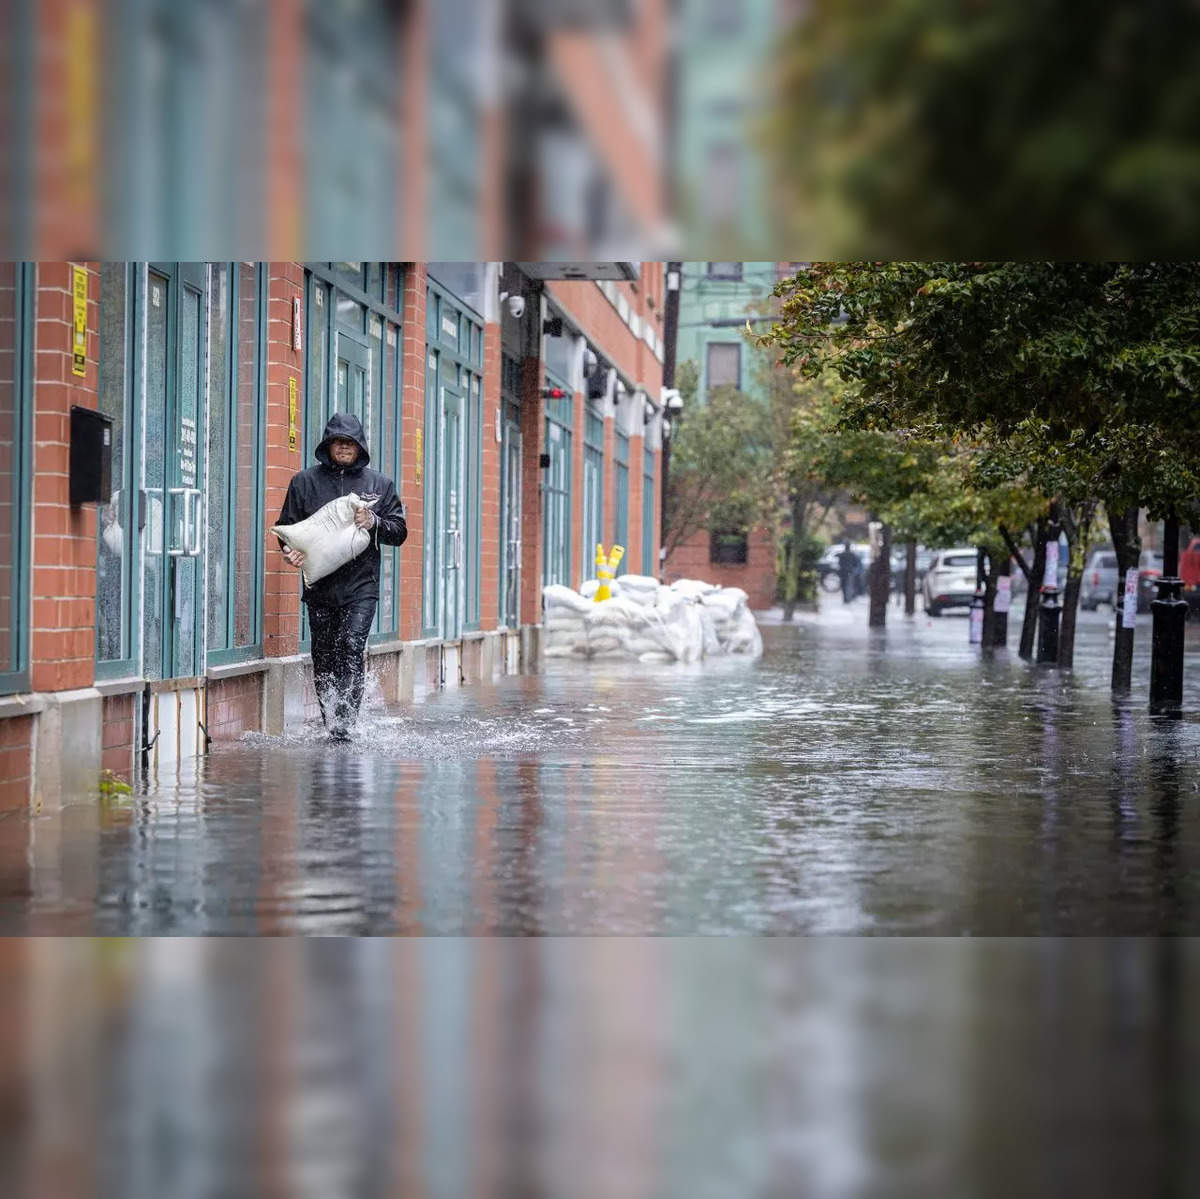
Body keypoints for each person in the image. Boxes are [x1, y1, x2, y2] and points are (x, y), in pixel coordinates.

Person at [276, 413, 407, 741]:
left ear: (360, 446)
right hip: (320, 587)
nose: (344, 448)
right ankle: (330, 721)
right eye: (338, 442)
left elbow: (399, 532)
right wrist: (288, 551)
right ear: (328, 445)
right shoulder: (304, 483)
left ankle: (346, 723)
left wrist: (373, 521)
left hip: (361, 586)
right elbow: (288, 529)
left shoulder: (379, 485)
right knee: (323, 654)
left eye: (350, 443)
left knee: (350, 645)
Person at [837, 538, 862, 604]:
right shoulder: (850, 554)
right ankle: (847, 598)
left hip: (846, 572)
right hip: (847, 572)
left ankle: (847, 598)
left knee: (847, 585)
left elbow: (855, 563)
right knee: (847, 585)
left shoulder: (847, 554)